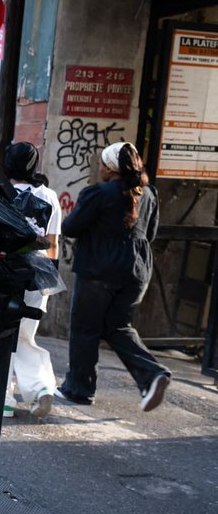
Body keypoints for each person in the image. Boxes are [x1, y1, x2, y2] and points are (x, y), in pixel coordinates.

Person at [57, 142, 171, 412]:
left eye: (101, 164)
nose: (99, 168)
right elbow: (150, 235)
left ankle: (79, 388)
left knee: (86, 328)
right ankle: (152, 374)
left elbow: (70, 227)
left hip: (99, 269)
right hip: (138, 271)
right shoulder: (150, 194)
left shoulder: (98, 193)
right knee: (119, 327)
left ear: (109, 168)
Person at [0, 143, 61, 419]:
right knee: (24, 334)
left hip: (1, 270)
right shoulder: (48, 195)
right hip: (38, 272)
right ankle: (40, 388)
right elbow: (53, 245)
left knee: (0, 336)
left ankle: (5, 399)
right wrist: (48, 282)